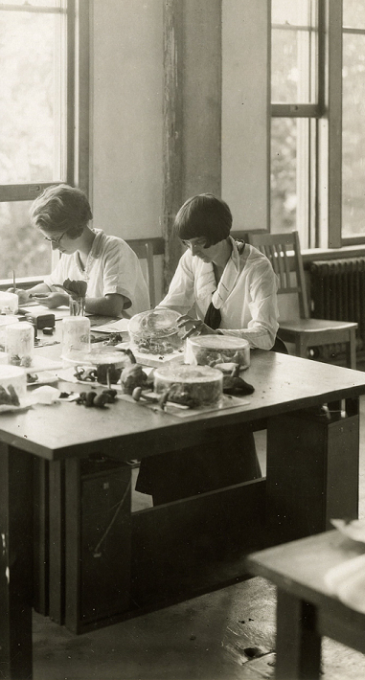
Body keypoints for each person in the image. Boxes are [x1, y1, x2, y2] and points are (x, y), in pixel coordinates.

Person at [135, 194, 280, 505]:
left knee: (215, 429)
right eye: (187, 244)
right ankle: (173, 504)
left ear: (221, 235)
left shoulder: (257, 267)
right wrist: (148, 323)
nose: (193, 252)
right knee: (172, 412)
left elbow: (265, 335)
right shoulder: (192, 259)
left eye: (200, 244)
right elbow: (173, 305)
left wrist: (214, 334)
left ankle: (224, 505)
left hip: (248, 362)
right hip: (205, 361)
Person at [10, 184, 150, 318]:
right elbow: (49, 286)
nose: (54, 247)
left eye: (56, 239)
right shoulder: (71, 253)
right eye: (49, 240)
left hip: (127, 336)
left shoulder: (114, 249)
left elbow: (113, 306)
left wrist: (66, 300)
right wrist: (26, 294)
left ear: (76, 227)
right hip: (95, 331)